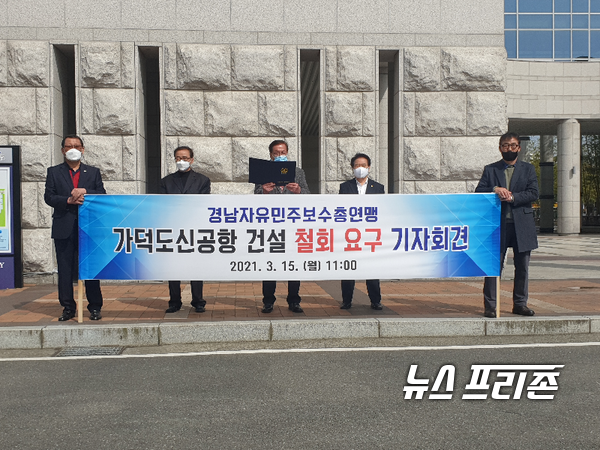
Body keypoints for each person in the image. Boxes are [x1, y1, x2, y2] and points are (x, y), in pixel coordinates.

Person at [475, 132, 539, 318]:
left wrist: (512, 197)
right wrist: (495, 189)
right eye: (505, 145)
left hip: (523, 224)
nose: (508, 149)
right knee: (494, 267)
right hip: (497, 225)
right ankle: (491, 305)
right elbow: (479, 191)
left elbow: (533, 193)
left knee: (523, 267)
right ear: (500, 147)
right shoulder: (491, 170)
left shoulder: (528, 169)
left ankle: (520, 304)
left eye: (512, 145)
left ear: (519, 147)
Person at [44, 135, 105, 321]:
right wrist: (68, 200)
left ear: (83, 149)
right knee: (65, 269)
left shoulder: (93, 172)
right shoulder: (54, 172)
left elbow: (102, 194)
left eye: (76, 146)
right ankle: (68, 307)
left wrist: (85, 192)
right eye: (69, 146)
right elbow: (49, 197)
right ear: (63, 150)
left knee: (91, 269)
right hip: (64, 226)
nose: (73, 149)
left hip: (88, 228)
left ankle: (95, 307)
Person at [254, 140, 310, 313]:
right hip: (270, 225)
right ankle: (268, 301)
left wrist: (299, 191)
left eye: (283, 152)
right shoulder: (263, 171)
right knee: (270, 264)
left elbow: (309, 195)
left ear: (287, 152)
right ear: (270, 154)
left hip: (292, 225)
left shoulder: (298, 172)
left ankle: (294, 300)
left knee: (293, 264)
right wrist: (263, 191)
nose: (280, 155)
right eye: (276, 153)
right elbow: (254, 197)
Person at [159, 145, 211, 313]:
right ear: (175, 160)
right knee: (173, 266)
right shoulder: (166, 181)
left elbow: (203, 204)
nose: (182, 161)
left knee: (196, 265)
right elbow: (161, 205)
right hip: (173, 228)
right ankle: (174, 301)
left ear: (192, 160)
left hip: (194, 228)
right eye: (179, 158)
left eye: (185, 158)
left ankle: (198, 300)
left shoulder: (203, 180)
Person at [338, 153, 385, 310]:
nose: (360, 168)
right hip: (351, 234)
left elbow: (381, 210)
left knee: (372, 269)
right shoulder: (345, 187)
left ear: (369, 168)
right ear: (352, 168)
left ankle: (375, 301)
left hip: (370, 234)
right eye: (357, 165)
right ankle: (346, 301)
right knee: (349, 269)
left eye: (363, 165)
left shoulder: (378, 188)